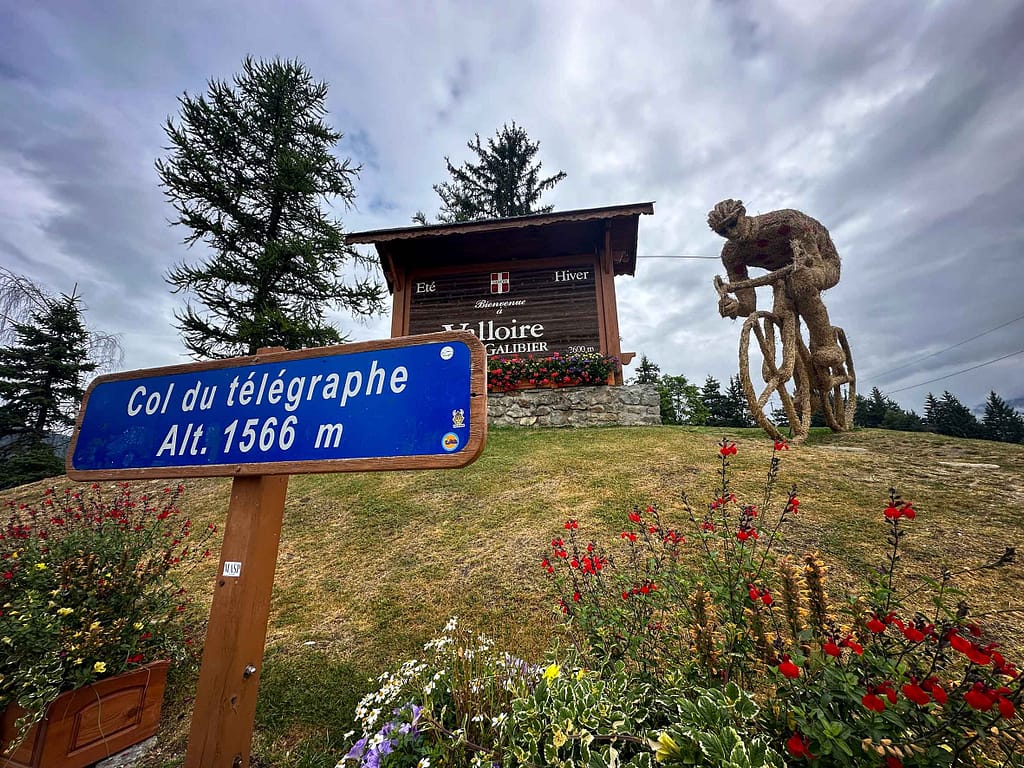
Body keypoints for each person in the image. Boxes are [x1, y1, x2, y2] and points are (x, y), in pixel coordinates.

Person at [708, 199, 844, 368]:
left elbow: (815, 264)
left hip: (823, 262)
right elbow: (748, 305)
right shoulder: (731, 254)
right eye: (723, 231)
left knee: (800, 281)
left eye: (733, 223)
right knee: (782, 306)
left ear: (742, 213)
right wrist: (733, 307)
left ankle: (827, 344)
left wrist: (804, 272)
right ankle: (797, 364)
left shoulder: (787, 221)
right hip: (783, 275)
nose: (731, 233)